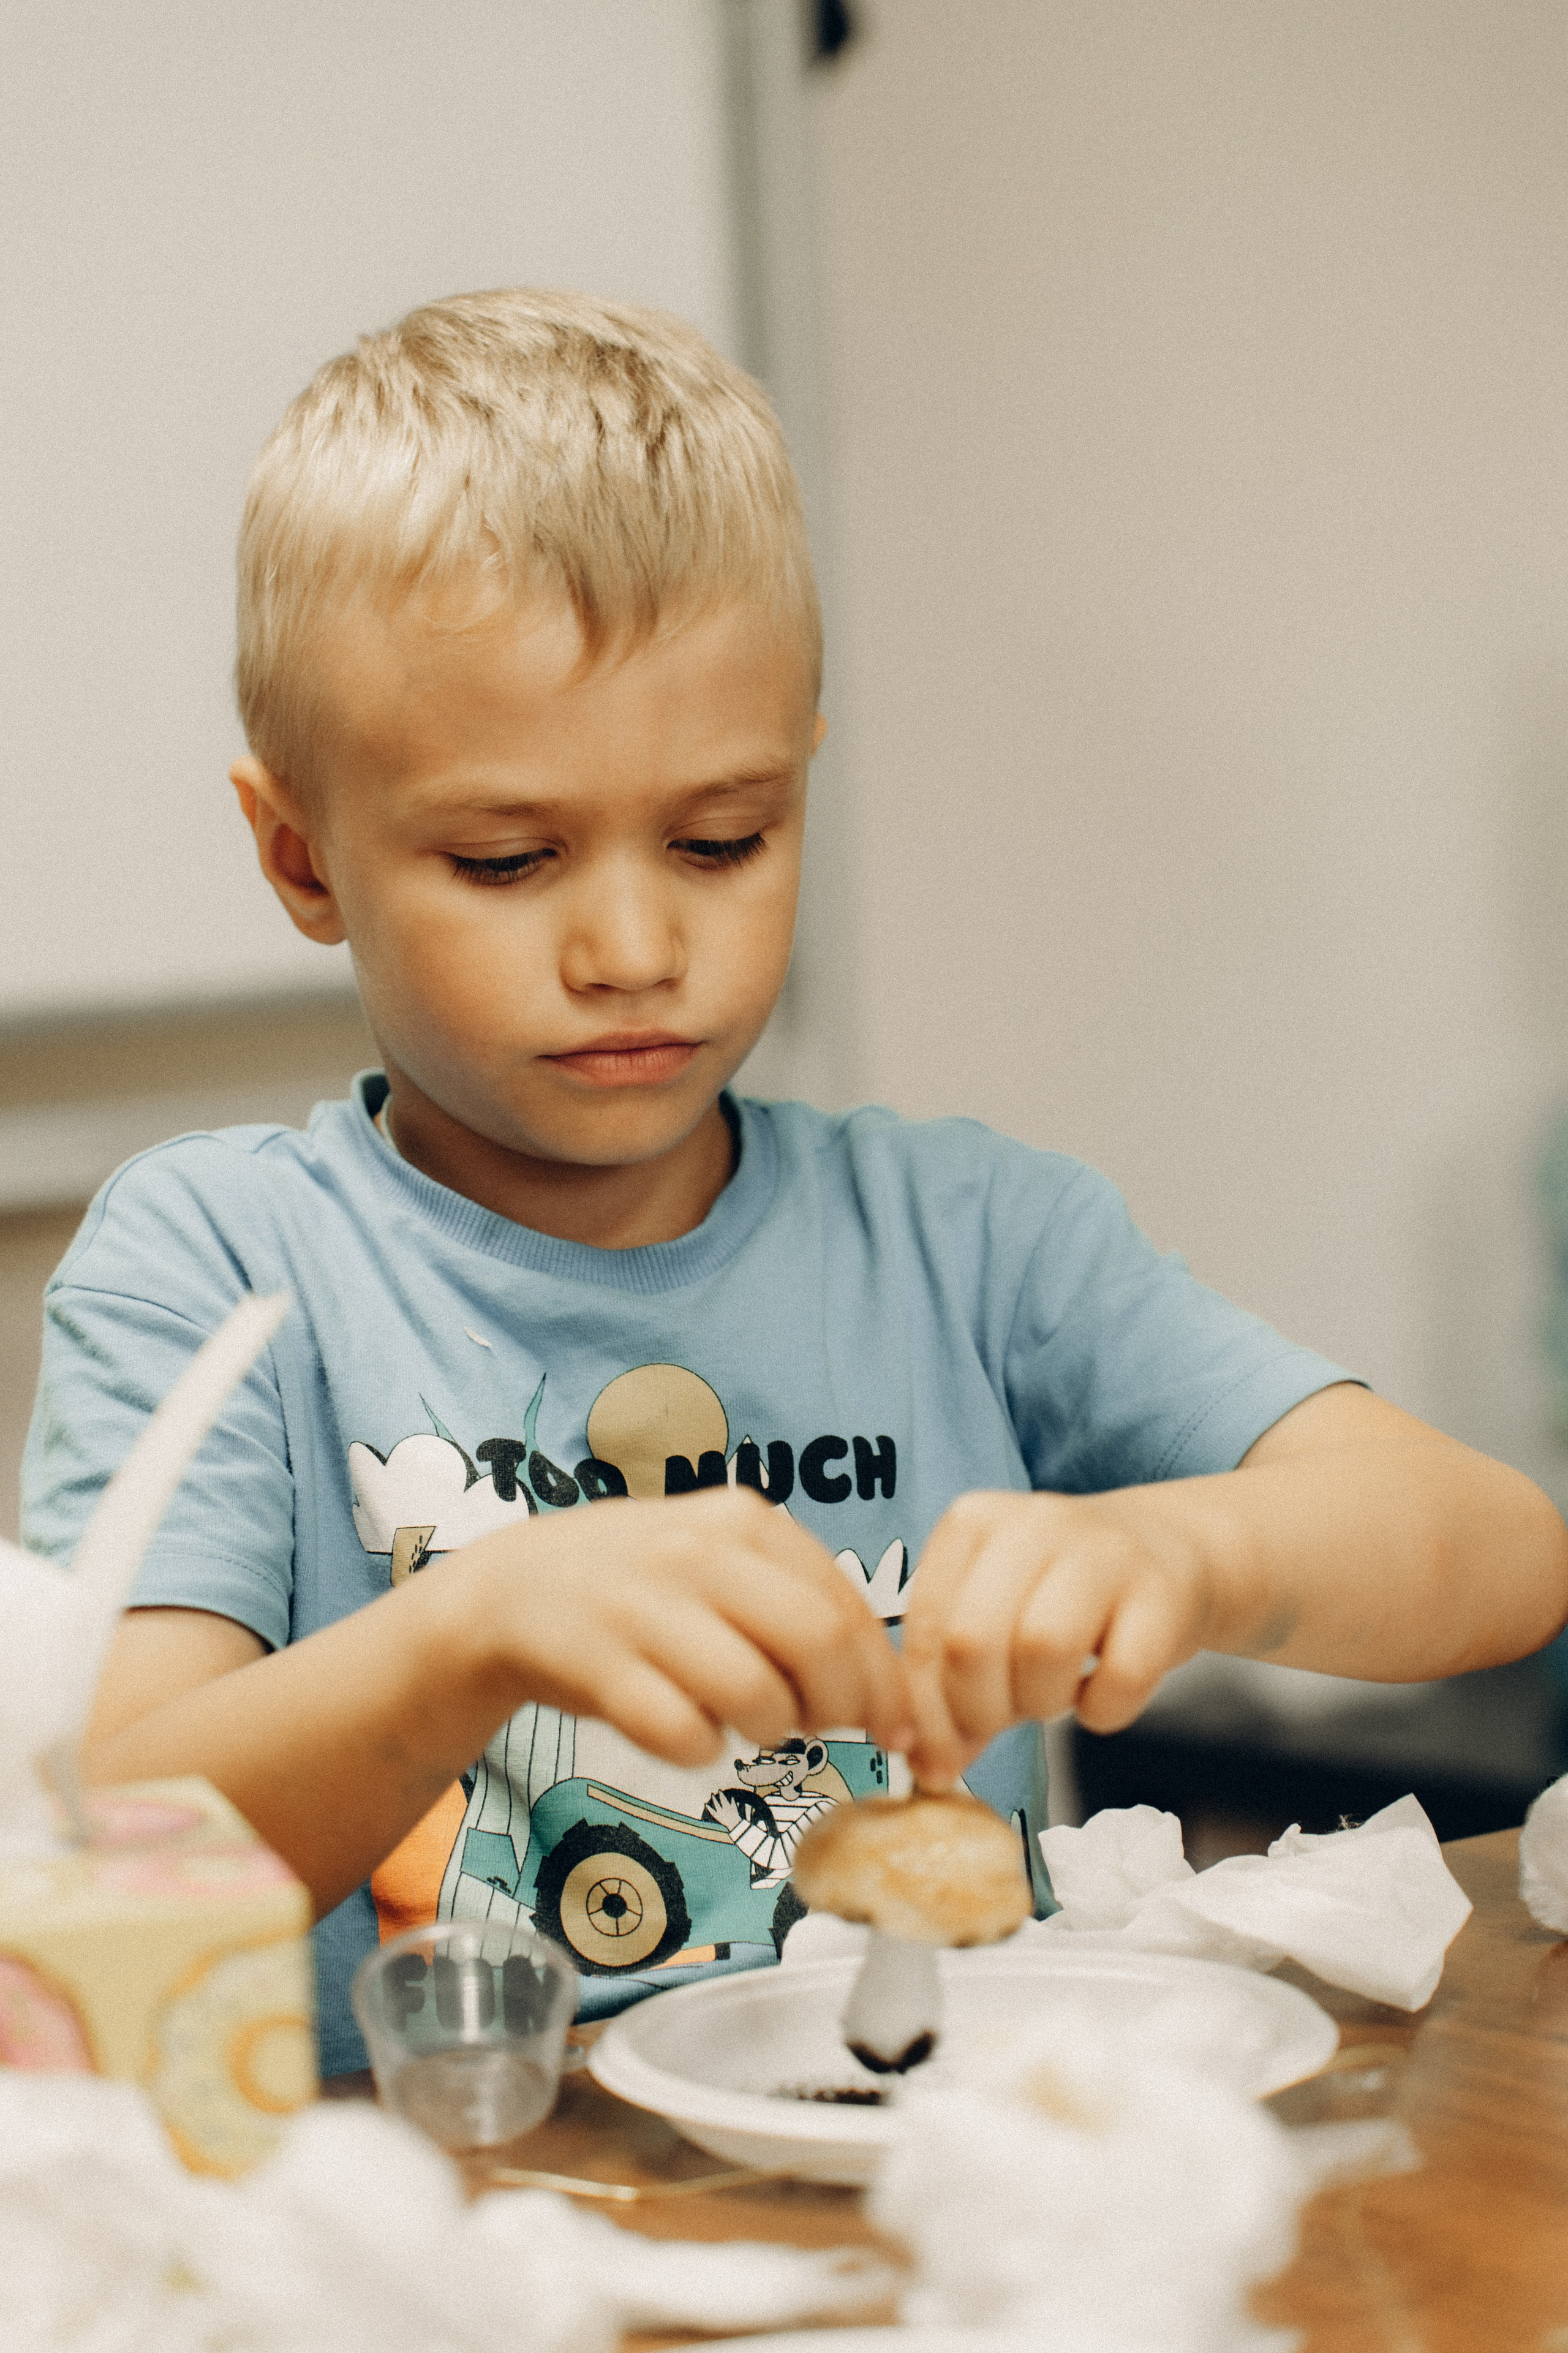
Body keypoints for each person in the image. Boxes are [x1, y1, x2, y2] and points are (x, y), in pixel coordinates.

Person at [23, 290, 1567, 2074]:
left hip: (936, 2213)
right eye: (510, 858)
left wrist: (1187, 1548)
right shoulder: (216, 1261)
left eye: (721, 838)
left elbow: (1504, 1558)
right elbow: (101, 1835)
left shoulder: (970, 1240)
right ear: (303, 857)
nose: (631, 943)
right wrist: (466, 1632)